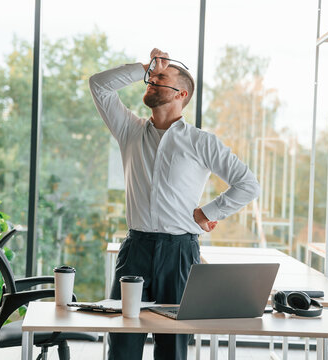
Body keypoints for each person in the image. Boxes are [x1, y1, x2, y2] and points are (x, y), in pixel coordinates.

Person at [89, 48, 261, 360]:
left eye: (160, 78)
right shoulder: (129, 130)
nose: (150, 82)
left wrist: (208, 212)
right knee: (122, 347)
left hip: (180, 253)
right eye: (150, 78)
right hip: (135, 250)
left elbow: (248, 184)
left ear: (181, 93)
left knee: (173, 351)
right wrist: (146, 65)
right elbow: (98, 84)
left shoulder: (201, 142)